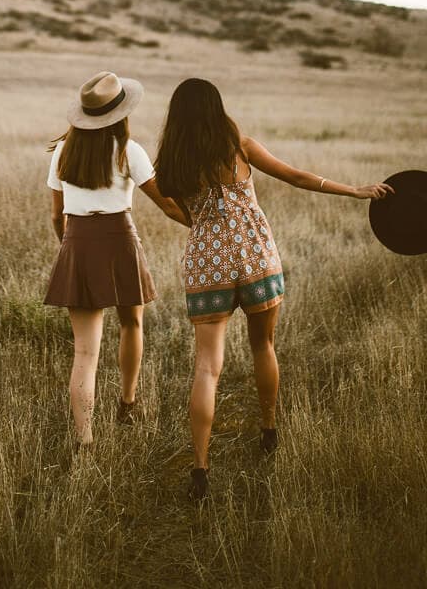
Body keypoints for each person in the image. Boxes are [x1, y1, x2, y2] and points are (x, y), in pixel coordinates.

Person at [154, 78, 394, 501]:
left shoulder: (170, 162)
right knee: (263, 345)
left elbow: (174, 207)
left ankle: (200, 471)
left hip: (206, 263)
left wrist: (204, 228)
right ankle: (268, 429)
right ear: (216, 108)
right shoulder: (239, 145)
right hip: (255, 257)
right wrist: (355, 190)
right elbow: (297, 177)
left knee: (207, 367)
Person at [44, 71, 190, 449]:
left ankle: (85, 441)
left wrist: (71, 248)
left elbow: (56, 216)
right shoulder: (130, 151)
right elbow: (167, 205)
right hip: (120, 240)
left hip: (77, 241)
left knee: (84, 352)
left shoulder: (63, 151)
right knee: (132, 323)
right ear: (120, 113)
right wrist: (203, 223)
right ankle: (127, 402)